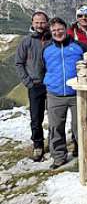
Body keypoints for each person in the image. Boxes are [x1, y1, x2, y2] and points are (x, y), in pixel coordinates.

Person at [42, 17, 87, 169]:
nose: (57, 32)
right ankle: (59, 157)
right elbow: (41, 69)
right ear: (50, 32)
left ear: (66, 29)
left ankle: (83, 154)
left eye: (60, 29)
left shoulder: (79, 46)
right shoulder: (46, 49)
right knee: (56, 127)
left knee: (79, 126)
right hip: (54, 94)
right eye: (54, 30)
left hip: (76, 93)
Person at [15, 11, 51, 162]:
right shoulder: (26, 41)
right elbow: (19, 63)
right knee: (36, 118)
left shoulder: (52, 39)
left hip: (51, 85)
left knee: (55, 117)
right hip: (35, 85)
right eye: (37, 22)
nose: (39, 25)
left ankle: (55, 143)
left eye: (42, 22)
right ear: (32, 23)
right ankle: (38, 145)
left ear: (47, 23)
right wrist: (28, 82)